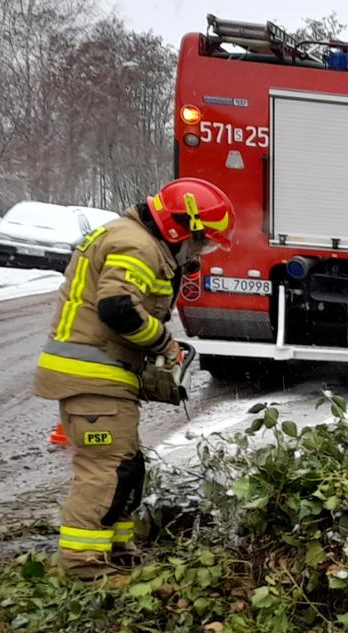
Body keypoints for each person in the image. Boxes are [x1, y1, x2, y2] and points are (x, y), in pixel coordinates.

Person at [32, 178, 233, 579]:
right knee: (105, 470)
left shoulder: (139, 240)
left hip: (105, 377)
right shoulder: (137, 246)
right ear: (181, 228)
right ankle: (84, 566)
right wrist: (164, 343)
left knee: (128, 466)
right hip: (92, 377)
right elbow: (118, 310)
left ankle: (118, 551)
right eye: (203, 242)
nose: (202, 252)